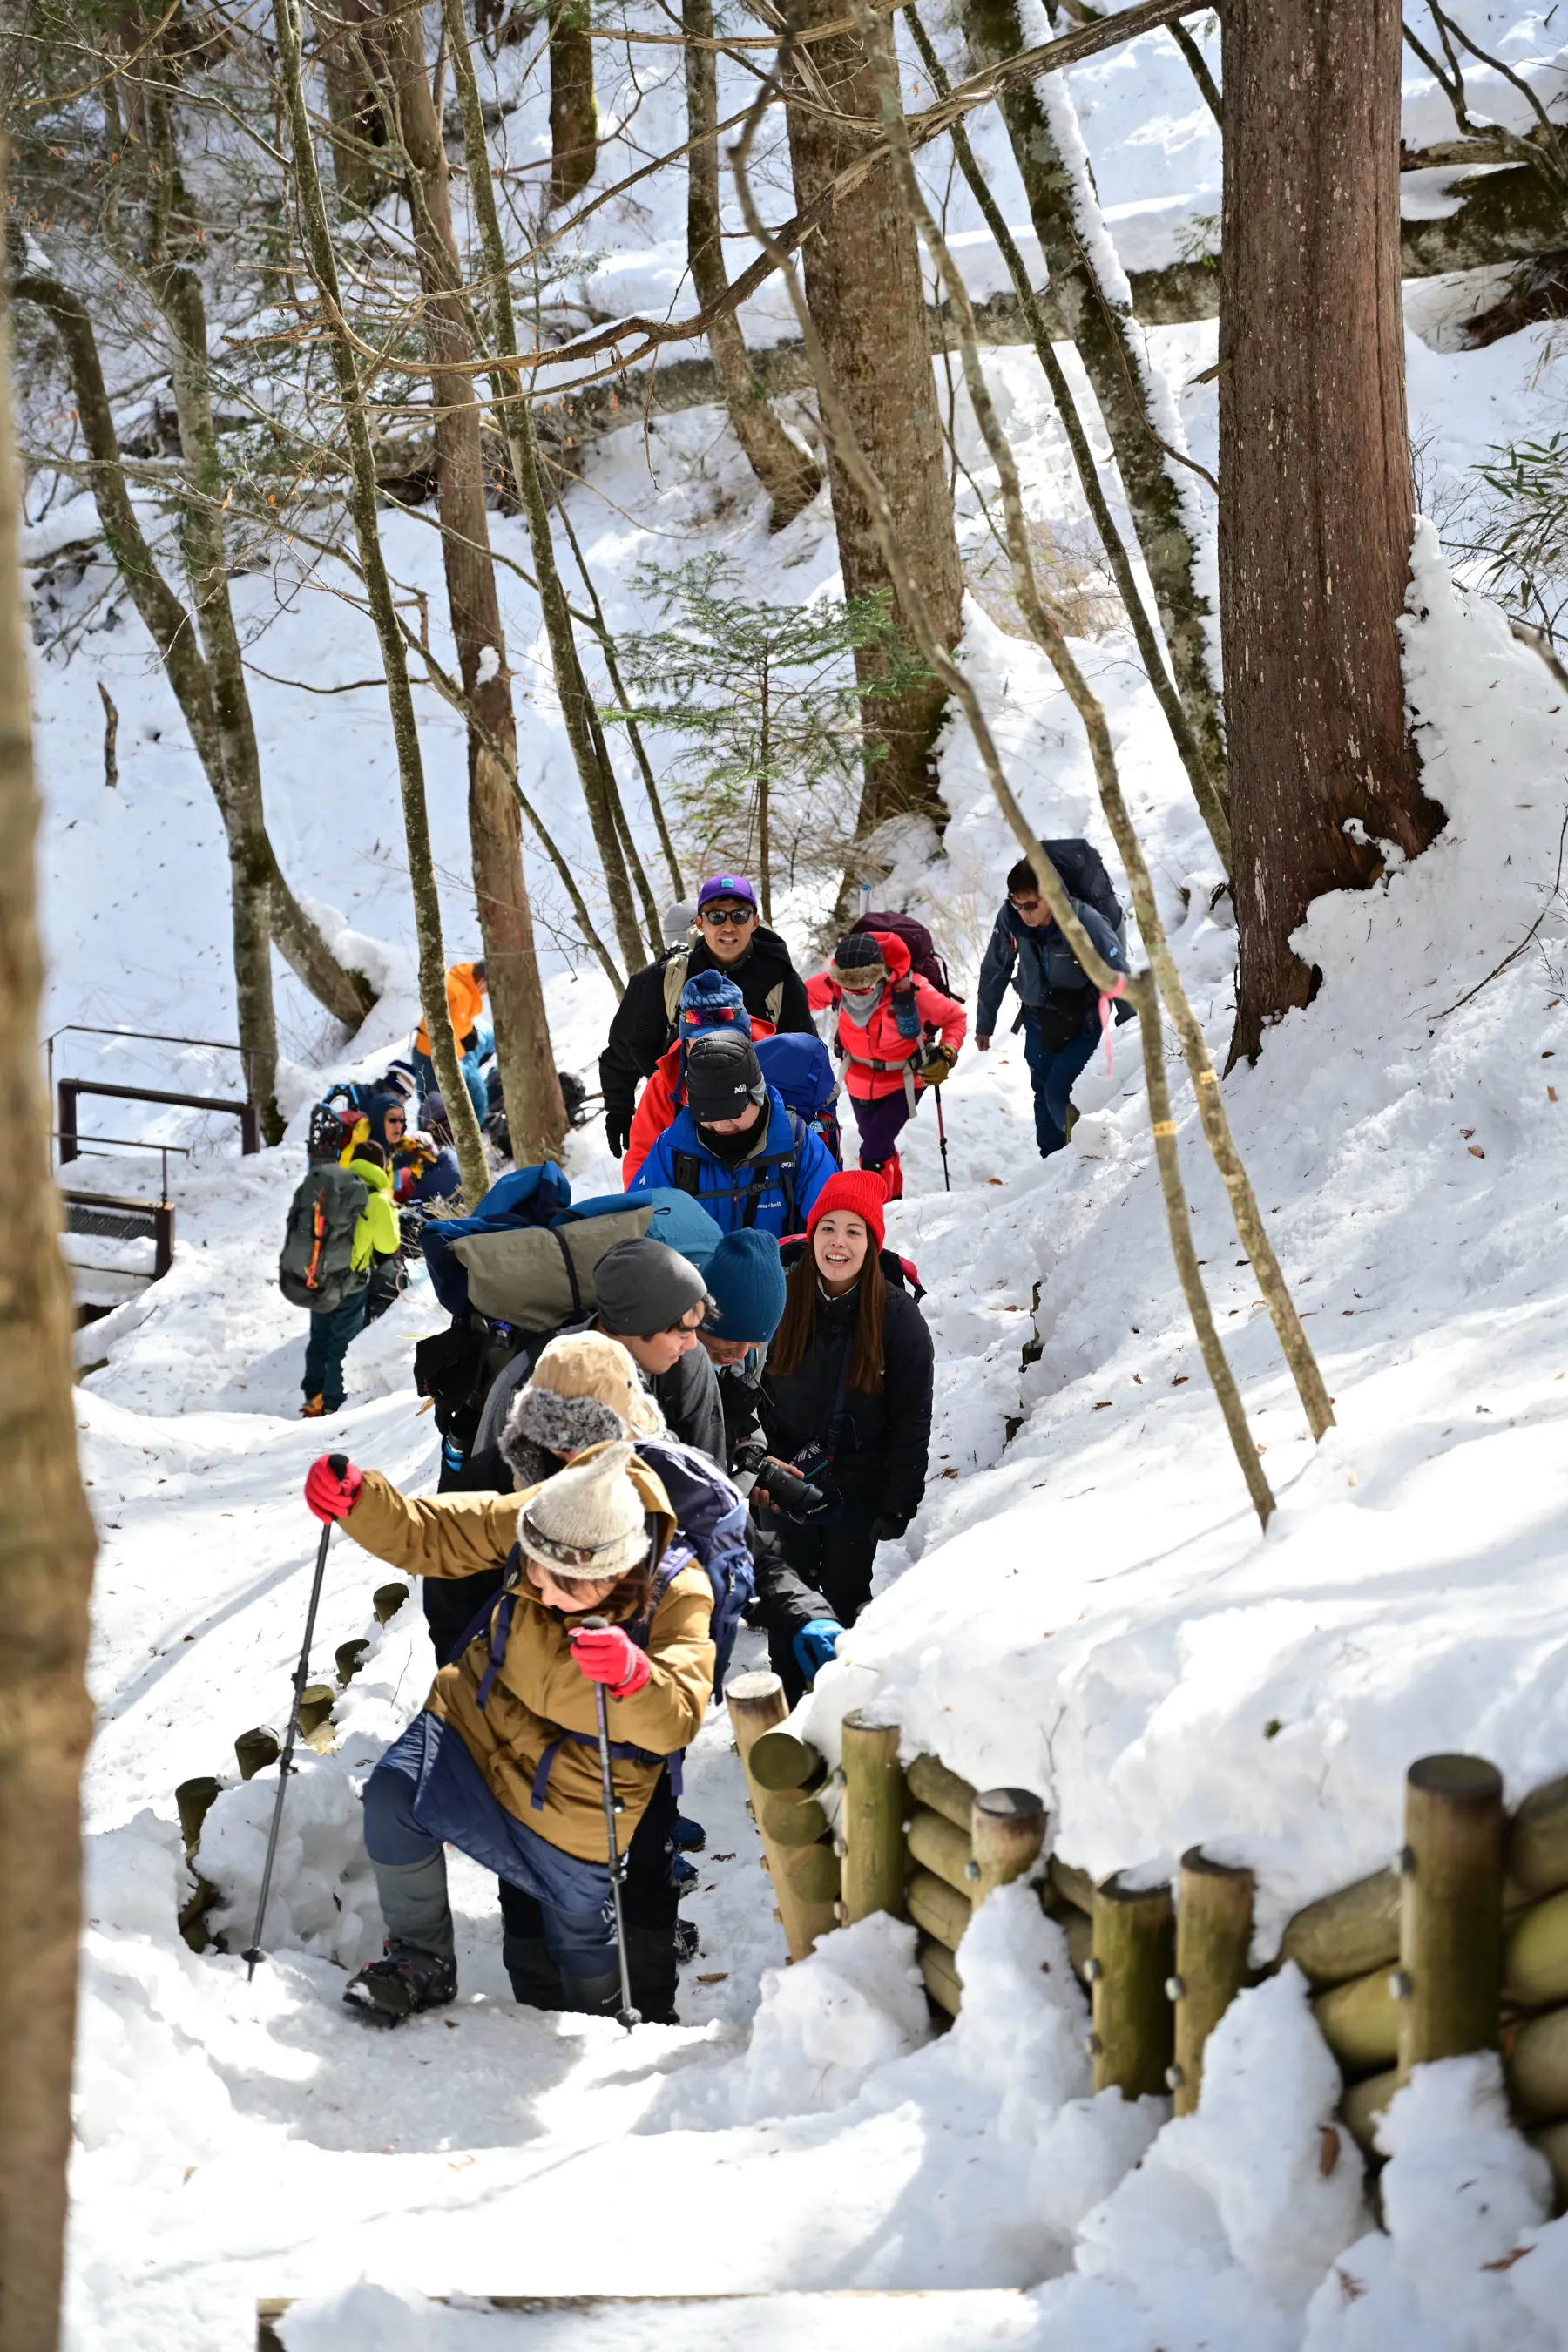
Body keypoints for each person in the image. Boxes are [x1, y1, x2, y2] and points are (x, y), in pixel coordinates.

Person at [305, 1440, 714, 2022]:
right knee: (395, 1796)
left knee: (578, 1937)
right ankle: (421, 1960)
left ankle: (595, 2029)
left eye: (565, 1584)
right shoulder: (549, 1512)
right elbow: (439, 1532)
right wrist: (359, 1500)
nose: (539, 1589)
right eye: (532, 1570)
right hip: (475, 1725)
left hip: (581, 1787)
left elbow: (678, 1715)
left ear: (619, 1570)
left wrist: (632, 1678)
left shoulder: (680, 1591)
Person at [751, 1173, 934, 1700]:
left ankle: (844, 1706)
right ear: (810, 1235)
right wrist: (755, 1464)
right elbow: (746, 1388)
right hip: (783, 1477)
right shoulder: (780, 1295)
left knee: (846, 1593)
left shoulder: (897, 1318)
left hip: (857, 1481)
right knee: (788, 1597)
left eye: (854, 1232)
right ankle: (787, 1713)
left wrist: (899, 1500)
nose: (838, 1242)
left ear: (872, 1242)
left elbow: (911, 1415)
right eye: (827, 1227)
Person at [598, 875, 814, 1159]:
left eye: (739, 915)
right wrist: (619, 1109)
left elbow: (806, 1055)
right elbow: (626, 1046)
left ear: (754, 921)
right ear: (699, 923)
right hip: (679, 1118)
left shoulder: (778, 978)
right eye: (716, 916)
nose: (728, 926)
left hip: (759, 1121)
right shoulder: (667, 978)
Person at [975, 855, 1131, 1159]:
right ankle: (1050, 1161)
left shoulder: (1084, 921)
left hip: (1083, 1024)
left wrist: (1130, 1023)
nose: (1023, 913)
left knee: (1060, 1093)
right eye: (1016, 904)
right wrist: (985, 1023)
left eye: (1030, 905)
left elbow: (1117, 971)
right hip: (1038, 1023)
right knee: (1042, 1095)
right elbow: (995, 968)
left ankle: (1081, 1157)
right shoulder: (1011, 920)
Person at [807, 929, 966, 1201]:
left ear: (880, 975)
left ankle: (875, 1205)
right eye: (849, 988)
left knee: (873, 1151)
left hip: (905, 1079)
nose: (856, 995)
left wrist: (948, 1051)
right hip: (857, 1077)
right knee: (877, 1142)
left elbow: (955, 1018)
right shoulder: (834, 984)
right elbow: (795, 1000)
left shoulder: (912, 989)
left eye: (865, 988)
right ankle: (895, 1202)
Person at [628, 1032, 835, 1238]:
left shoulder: (799, 1146)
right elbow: (638, 1229)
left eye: (733, 1111)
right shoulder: (672, 1150)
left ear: (757, 1094)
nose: (721, 1124)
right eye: (706, 1113)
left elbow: (830, 1232)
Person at [283, 1105, 402, 1418]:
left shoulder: (331, 1186)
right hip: (349, 1282)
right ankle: (333, 1402)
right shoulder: (377, 1199)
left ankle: (313, 1395)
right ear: (381, 1166)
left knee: (319, 1337)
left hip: (317, 1276)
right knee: (341, 1343)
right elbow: (389, 1244)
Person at [696, 1227, 787, 1469]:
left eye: (755, 1342)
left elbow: (741, 1396)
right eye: (731, 1339)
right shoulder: (664, 1360)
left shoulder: (750, 1349)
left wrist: (751, 1453)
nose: (741, 1354)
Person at [413, 957, 489, 1131]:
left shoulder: (463, 984)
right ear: (483, 980)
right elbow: (446, 1036)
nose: (487, 993)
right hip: (432, 1057)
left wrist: (469, 1031)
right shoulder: (459, 993)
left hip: (433, 1053)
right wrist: (463, 1048)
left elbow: (456, 1024)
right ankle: (426, 1145)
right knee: (432, 1108)